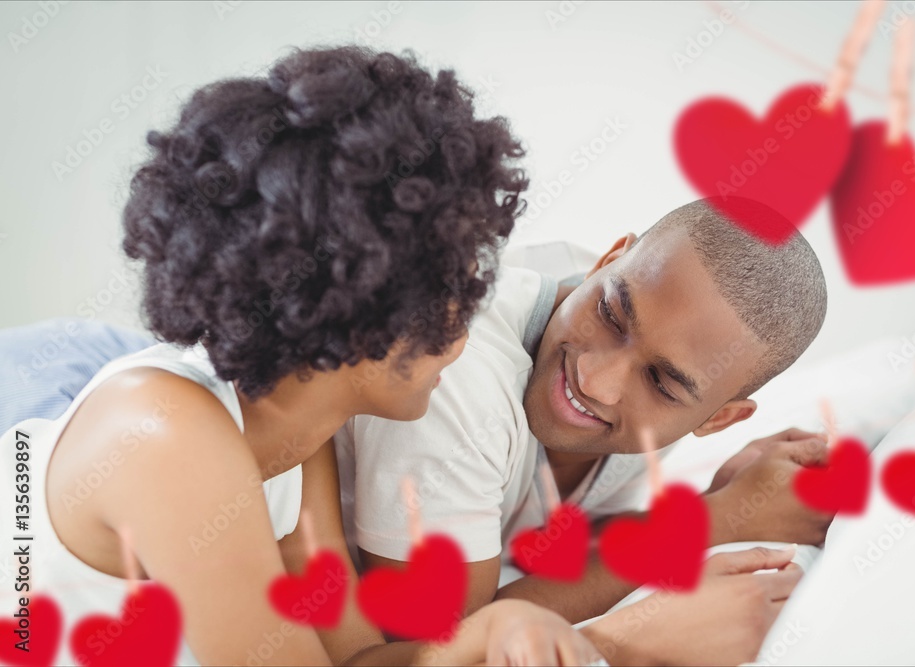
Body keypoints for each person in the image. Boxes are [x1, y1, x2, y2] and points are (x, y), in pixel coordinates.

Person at [0, 45, 606, 666]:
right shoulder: (166, 434)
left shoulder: (294, 445)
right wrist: (629, 638)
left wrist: (487, 635)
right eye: (453, 288)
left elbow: (350, 659)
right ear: (363, 306)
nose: (467, 321)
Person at [334, 196, 833, 640]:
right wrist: (714, 523)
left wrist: (721, 496)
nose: (596, 380)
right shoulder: (456, 376)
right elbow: (452, 642)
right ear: (608, 260)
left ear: (718, 419)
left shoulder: (669, 360)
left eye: (660, 383)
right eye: (612, 315)